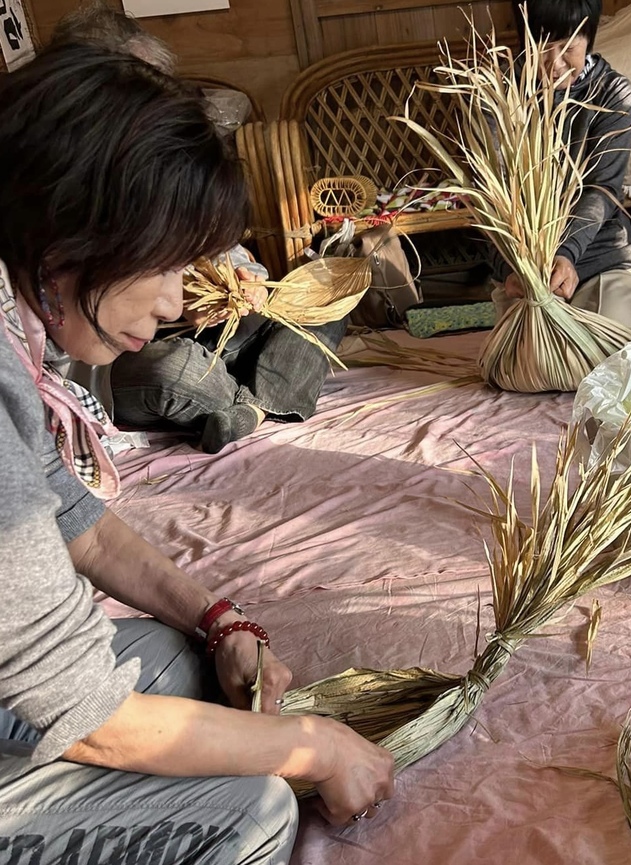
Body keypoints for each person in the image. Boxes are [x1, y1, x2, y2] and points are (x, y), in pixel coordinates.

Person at [0, 43, 393, 862]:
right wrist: (315, 746)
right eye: (166, 264)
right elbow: (91, 714)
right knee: (247, 812)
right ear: (76, 233)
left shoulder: (17, 326)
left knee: (183, 659)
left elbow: (78, 524)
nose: (177, 300)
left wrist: (219, 620)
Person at [51, 3, 349, 454]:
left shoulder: (171, 169)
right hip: (125, 356)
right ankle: (257, 395)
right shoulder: (61, 189)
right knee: (175, 370)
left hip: (216, 336)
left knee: (326, 300)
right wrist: (169, 304)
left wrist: (247, 281)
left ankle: (249, 407)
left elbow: (221, 249)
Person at [492, 0, 631, 332]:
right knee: (532, 359)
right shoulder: (498, 96)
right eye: (541, 47)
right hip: (522, 269)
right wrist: (510, 269)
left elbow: (602, 189)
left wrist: (566, 254)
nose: (555, 63)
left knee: (608, 354)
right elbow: (488, 195)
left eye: (568, 47)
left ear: (589, 38)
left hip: (603, 259)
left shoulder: (612, 93)